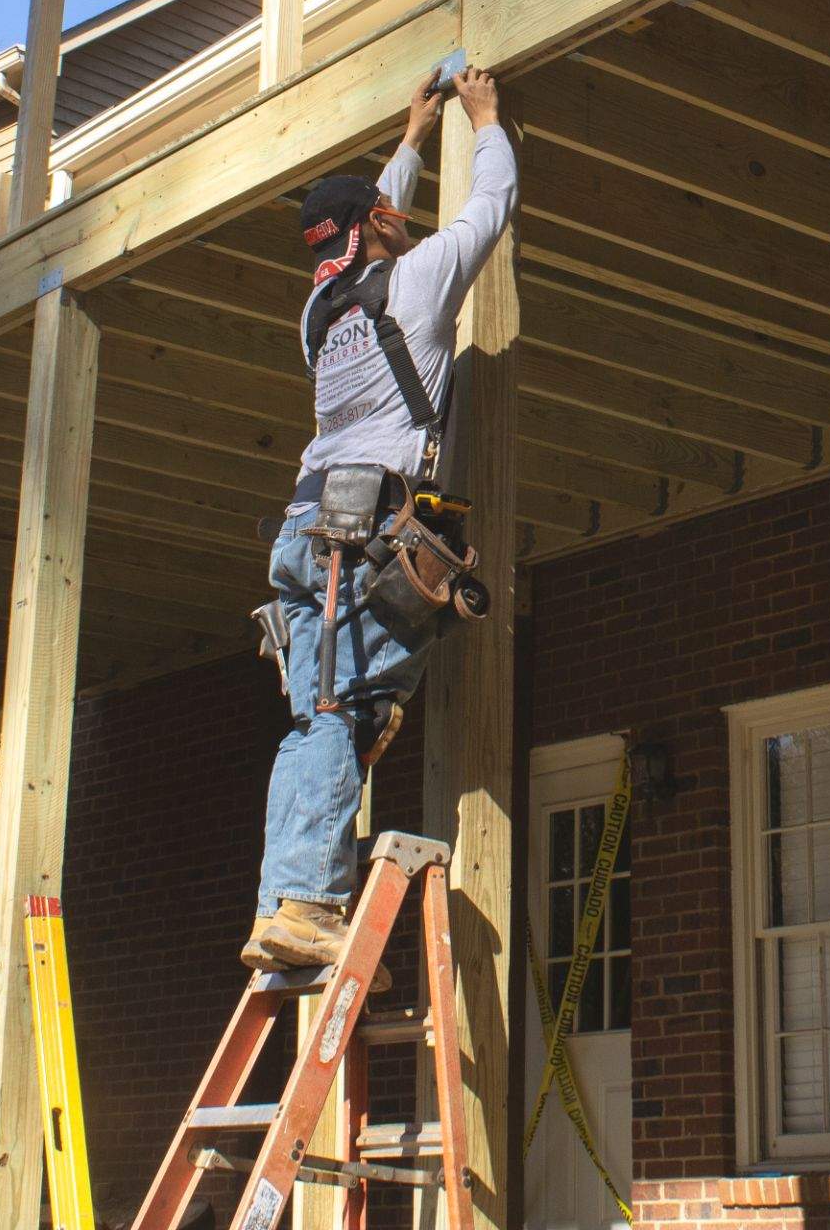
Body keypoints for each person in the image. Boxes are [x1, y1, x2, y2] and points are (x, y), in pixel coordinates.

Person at [244, 62, 514, 976]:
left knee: (312, 713)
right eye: (391, 211)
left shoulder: (321, 311)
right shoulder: (421, 279)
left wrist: (409, 134)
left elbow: (372, 222)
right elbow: (490, 206)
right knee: (345, 710)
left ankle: (282, 904)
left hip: (307, 525)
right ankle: (311, 901)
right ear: (380, 228)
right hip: (364, 533)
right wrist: (482, 119)